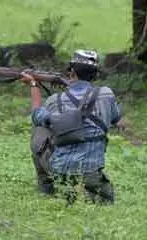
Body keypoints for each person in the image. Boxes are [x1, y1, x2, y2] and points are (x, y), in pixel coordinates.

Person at [21, 50, 121, 204]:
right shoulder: (106, 94)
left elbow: (36, 116)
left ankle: (47, 187)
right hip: (92, 173)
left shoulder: (55, 100)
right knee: (102, 200)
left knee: (39, 129)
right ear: (95, 75)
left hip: (60, 172)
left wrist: (34, 85)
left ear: (72, 72)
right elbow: (115, 117)